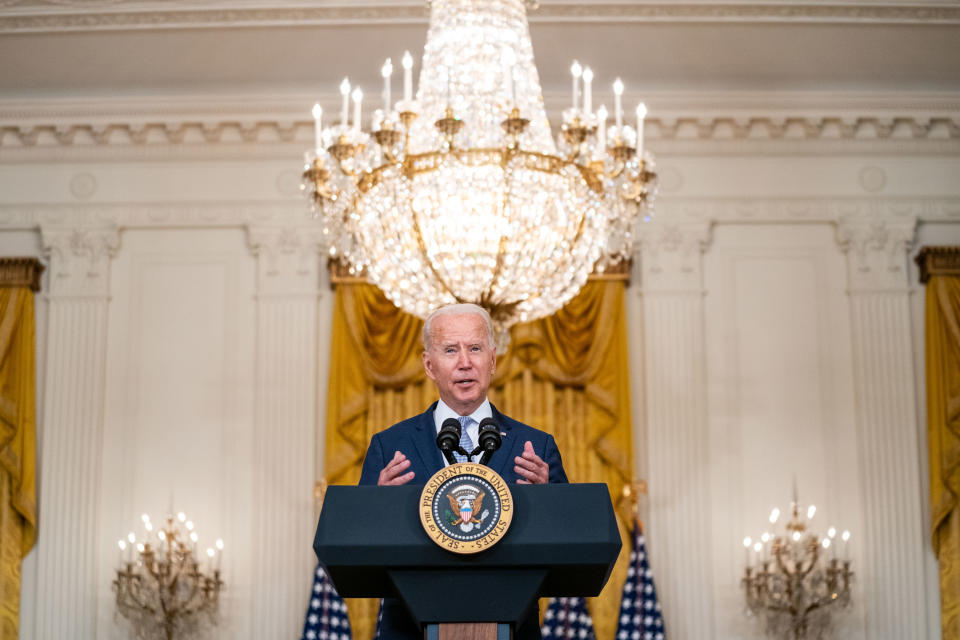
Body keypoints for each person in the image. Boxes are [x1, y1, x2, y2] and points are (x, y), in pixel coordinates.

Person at [358, 303, 567, 639]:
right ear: (429, 364)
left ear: (493, 360)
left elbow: (566, 550)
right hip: (410, 629)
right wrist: (377, 508)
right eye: (450, 350)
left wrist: (548, 501)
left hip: (511, 626)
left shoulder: (536, 447)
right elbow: (360, 553)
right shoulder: (390, 446)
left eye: (475, 348)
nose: (465, 363)